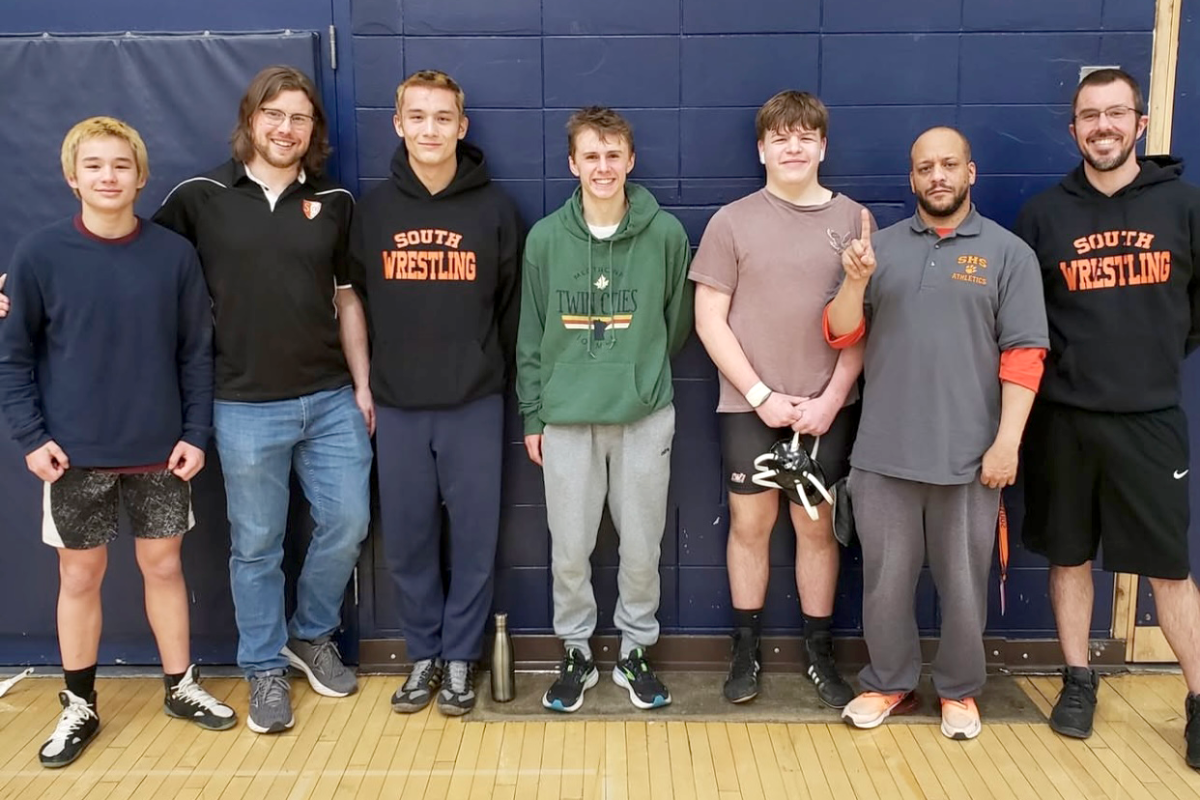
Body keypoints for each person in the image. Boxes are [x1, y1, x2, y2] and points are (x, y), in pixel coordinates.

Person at [0, 116, 235, 768]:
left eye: (121, 165)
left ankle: (180, 686)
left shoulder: (173, 255)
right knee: (81, 576)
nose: (108, 177)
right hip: (73, 455)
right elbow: (13, 358)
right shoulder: (39, 255)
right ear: (72, 176)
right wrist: (31, 435)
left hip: (161, 450)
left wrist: (195, 433)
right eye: (95, 165)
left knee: (163, 567)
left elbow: (196, 353)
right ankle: (79, 702)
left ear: (140, 175)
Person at [153, 66, 374, 733]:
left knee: (348, 524)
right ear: (251, 119)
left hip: (332, 399)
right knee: (257, 545)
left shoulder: (334, 201)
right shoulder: (199, 197)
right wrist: (36, 282)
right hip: (245, 403)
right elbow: (133, 266)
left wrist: (363, 387)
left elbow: (347, 299)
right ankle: (262, 670)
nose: (286, 128)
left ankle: (307, 636)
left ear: (314, 130)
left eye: (300, 118)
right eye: (274, 115)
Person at [826, 127, 1049, 740]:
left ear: (970, 173)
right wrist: (853, 280)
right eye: (926, 167)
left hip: (971, 459)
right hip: (883, 455)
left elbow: (1025, 355)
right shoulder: (881, 249)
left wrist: (1008, 443)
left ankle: (959, 691)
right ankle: (889, 682)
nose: (938, 176)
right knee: (885, 584)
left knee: (963, 586)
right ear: (913, 177)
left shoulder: (1009, 255)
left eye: (950, 164)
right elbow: (840, 333)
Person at [1015, 67, 1200, 768]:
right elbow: (1027, 322)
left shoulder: (1185, 207)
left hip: (1151, 418)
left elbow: (1195, 312)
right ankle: (1078, 678)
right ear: (1073, 130)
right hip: (1064, 419)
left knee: (1171, 570)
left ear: (1140, 124)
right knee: (1068, 556)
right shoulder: (1043, 216)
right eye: (1089, 117)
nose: (1102, 127)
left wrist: (1146, 361)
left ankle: (1198, 701)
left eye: (1115, 114)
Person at [349, 70, 522, 717]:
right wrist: (366, 384)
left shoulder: (496, 210)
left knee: (475, 541)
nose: (429, 129)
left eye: (442, 117)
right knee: (410, 539)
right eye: (416, 117)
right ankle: (422, 654)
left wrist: (487, 371)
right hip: (396, 405)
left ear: (461, 126)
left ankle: (458, 662)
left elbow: (508, 309)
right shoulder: (373, 212)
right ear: (397, 124)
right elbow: (355, 301)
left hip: (473, 403)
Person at [690, 90, 865, 709]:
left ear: (823, 145)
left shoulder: (855, 221)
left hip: (826, 412)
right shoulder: (731, 222)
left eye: (805, 136)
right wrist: (761, 394)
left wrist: (830, 399)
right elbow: (709, 319)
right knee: (749, 526)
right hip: (750, 409)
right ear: (762, 148)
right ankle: (746, 651)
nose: (794, 147)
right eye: (781, 137)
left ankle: (819, 653)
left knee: (817, 531)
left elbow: (864, 325)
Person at [517, 107, 693, 712]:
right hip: (566, 419)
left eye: (613, 155)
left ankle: (635, 650)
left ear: (630, 160)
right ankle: (577, 652)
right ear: (572, 164)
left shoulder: (666, 234)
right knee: (569, 548)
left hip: (644, 415)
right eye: (590, 156)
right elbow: (531, 334)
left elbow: (675, 324)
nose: (602, 166)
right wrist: (534, 414)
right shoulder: (543, 238)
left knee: (642, 545)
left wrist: (637, 374)